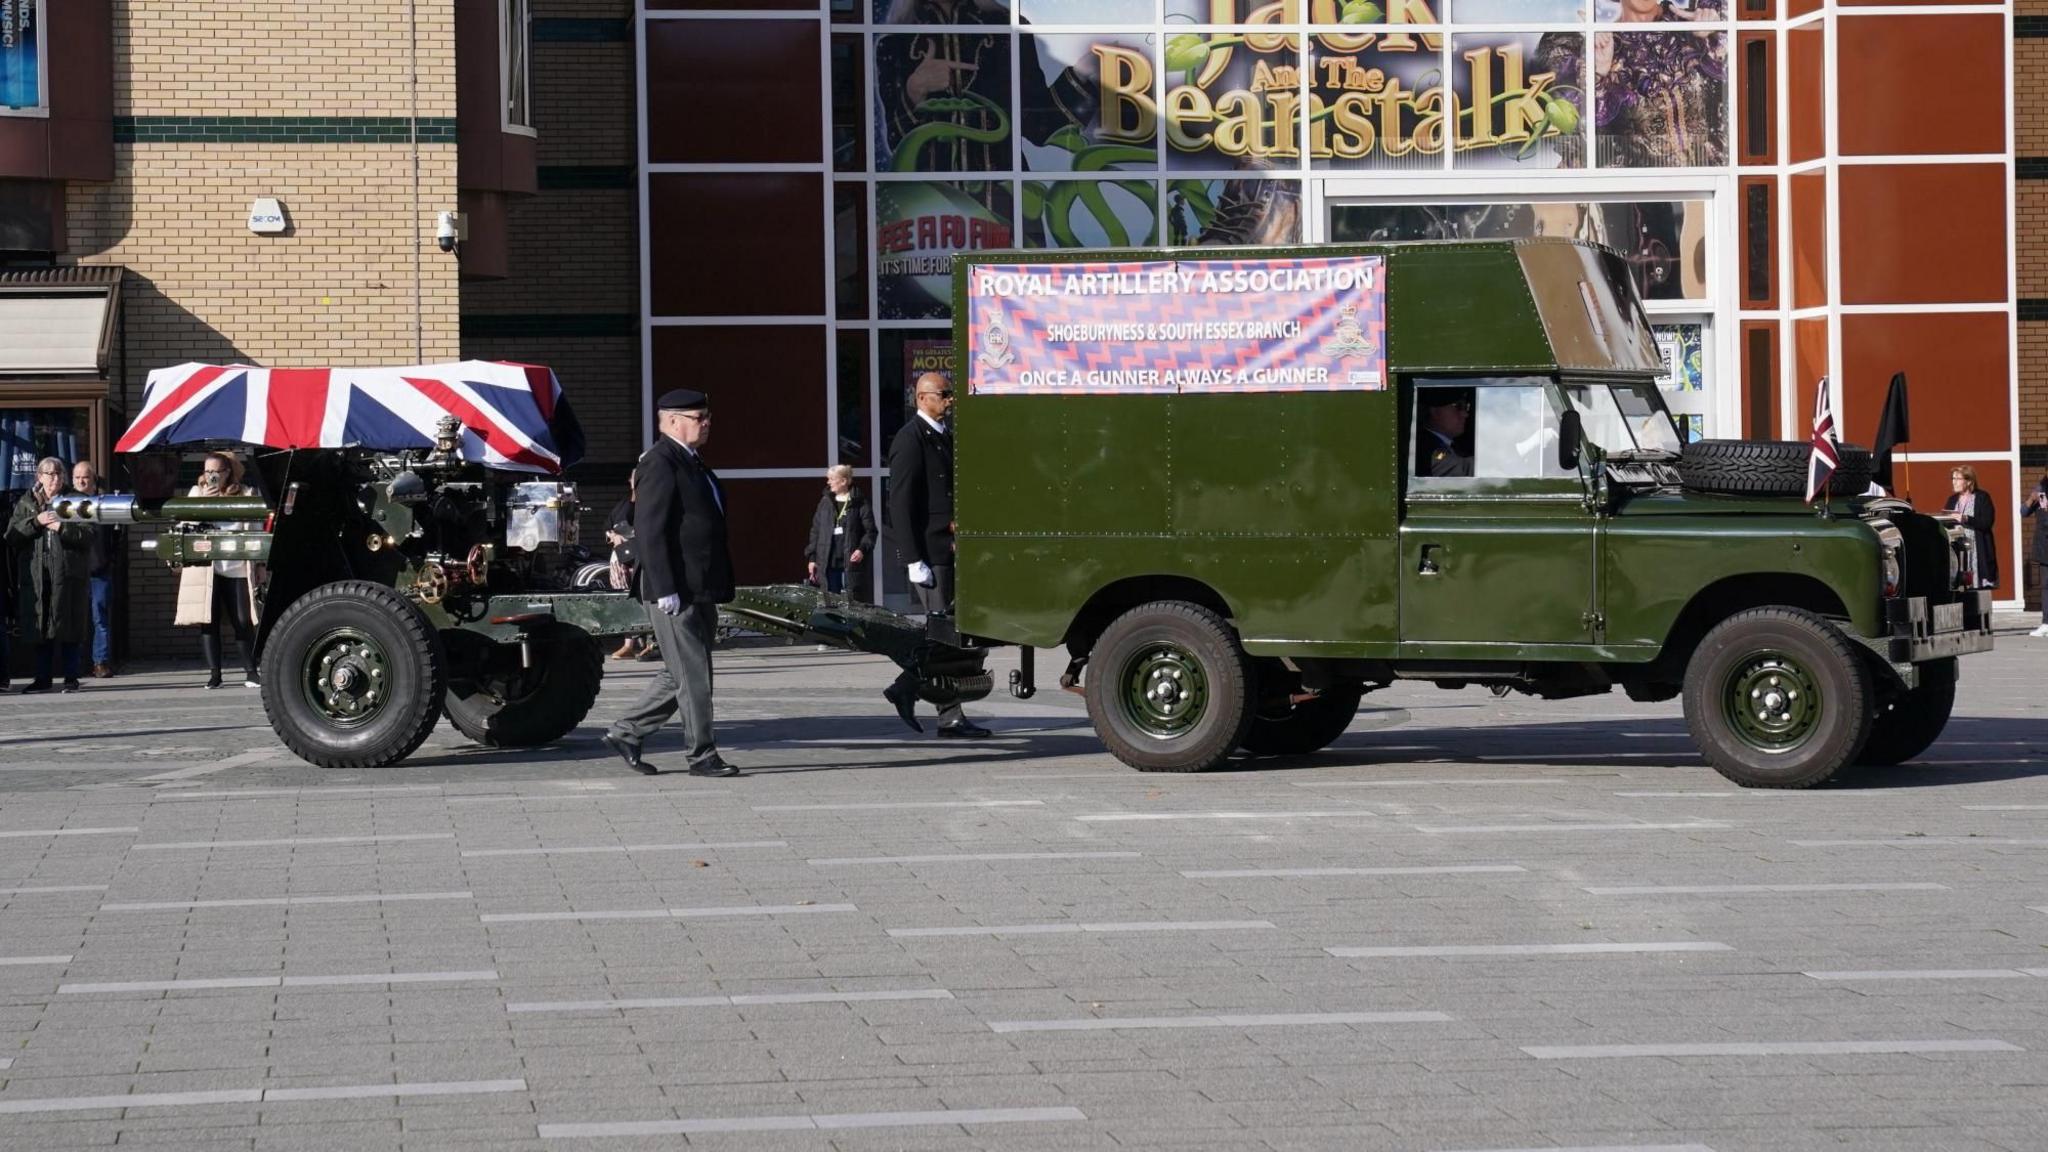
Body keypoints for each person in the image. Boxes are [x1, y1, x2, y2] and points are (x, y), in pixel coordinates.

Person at [600, 389, 741, 778]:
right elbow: (650, 530)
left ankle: (627, 732)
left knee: (682, 670)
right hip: (675, 587)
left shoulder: (692, 461)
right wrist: (664, 589)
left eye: (708, 415)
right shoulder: (661, 461)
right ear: (673, 420)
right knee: (693, 674)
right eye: (699, 416)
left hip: (699, 584)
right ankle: (702, 755)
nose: (707, 422)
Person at [882, 372, 992, 739]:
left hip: (947, 549)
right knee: (943, 638)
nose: (950, 400)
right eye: (944, 394)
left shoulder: (942, 436)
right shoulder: (911, 439)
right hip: (930, 553)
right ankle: (946, 714)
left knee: (948, 637)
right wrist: (913, 559)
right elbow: (899, 504)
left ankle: (915, 694)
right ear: (923, 397)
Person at [173, 452, 260, 689]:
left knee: (242, 621)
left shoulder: (245, 494)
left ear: (228, 472)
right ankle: (215, 674)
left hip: (237, 568)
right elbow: (184, 526)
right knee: (208, 621)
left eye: (216, 472)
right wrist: (203, 505)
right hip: (207, 567)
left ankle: (251, 671)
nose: (211, 477)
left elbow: (256, 528)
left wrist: (259, 565)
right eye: (207, 471)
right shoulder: (195, 493)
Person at [6, 457, 91, 693]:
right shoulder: (27, 502)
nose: (56, 478)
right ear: (39, 477)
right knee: (40, 628)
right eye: (50, 474)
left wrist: (62, 528)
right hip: (37, 575)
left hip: (68, 575)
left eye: (59, 473)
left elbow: (89, 536)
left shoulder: (75, 500)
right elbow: (11, 536)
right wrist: (36, 522)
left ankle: (71, 678)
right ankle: (42, 679)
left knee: (69, 626)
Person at [71, 460, 121, 678]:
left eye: (86, 477)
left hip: (99, 570)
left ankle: (100, 663)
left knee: (99, 619)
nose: (81, 481)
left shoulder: (104, 505)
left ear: (93, 480)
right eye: (77, 477)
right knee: (75, 619)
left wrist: (110, 559)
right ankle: (77, 664)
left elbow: (116, 535)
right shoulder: (68, 506)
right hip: (74, 572)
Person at [806, 464, 877, 603]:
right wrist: (812, 558)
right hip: (828, 562)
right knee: (830, 602)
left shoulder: (859, 502)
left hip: (851, 563)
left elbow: (871, 531)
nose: (828, 482)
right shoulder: (825, 502)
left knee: (853, 602)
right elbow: (815, 531)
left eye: (832, 479)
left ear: (844, 481)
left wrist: (862, 549)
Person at [605, 473, 654, 661]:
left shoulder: (648, 501)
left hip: (639, 557)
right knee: (624, 597)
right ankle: (629, 645)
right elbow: (608, 523)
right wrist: (612, 534)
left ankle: (648, 643)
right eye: (633, 477)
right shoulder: (624, 502)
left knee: (643, 597)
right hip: (621, 557)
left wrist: (629, 537)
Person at [1943, 464, 1999, 591]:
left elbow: (1987, 522)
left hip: (1977, 550)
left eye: (1957, 479)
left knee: (1978, 590)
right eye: (1953, 479)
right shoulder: (1952, 500)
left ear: (1969, 481)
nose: (1954, 482)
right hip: (1958, 550)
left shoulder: (1982, 497)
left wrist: (1966, 519)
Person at [1415, 389, 1474, 478]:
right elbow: (1446, 466)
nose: (1465, 414)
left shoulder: (1453, 446)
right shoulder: (1424, 446)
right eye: (1458, 406)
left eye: (1466, 407)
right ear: (1434, 410)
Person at [2024, 474, 2047, 638]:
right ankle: (2046, 623)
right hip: (2044, 544)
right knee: (2046, 585)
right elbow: (2023, 512)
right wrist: (2031, 499)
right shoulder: (2040, 489)